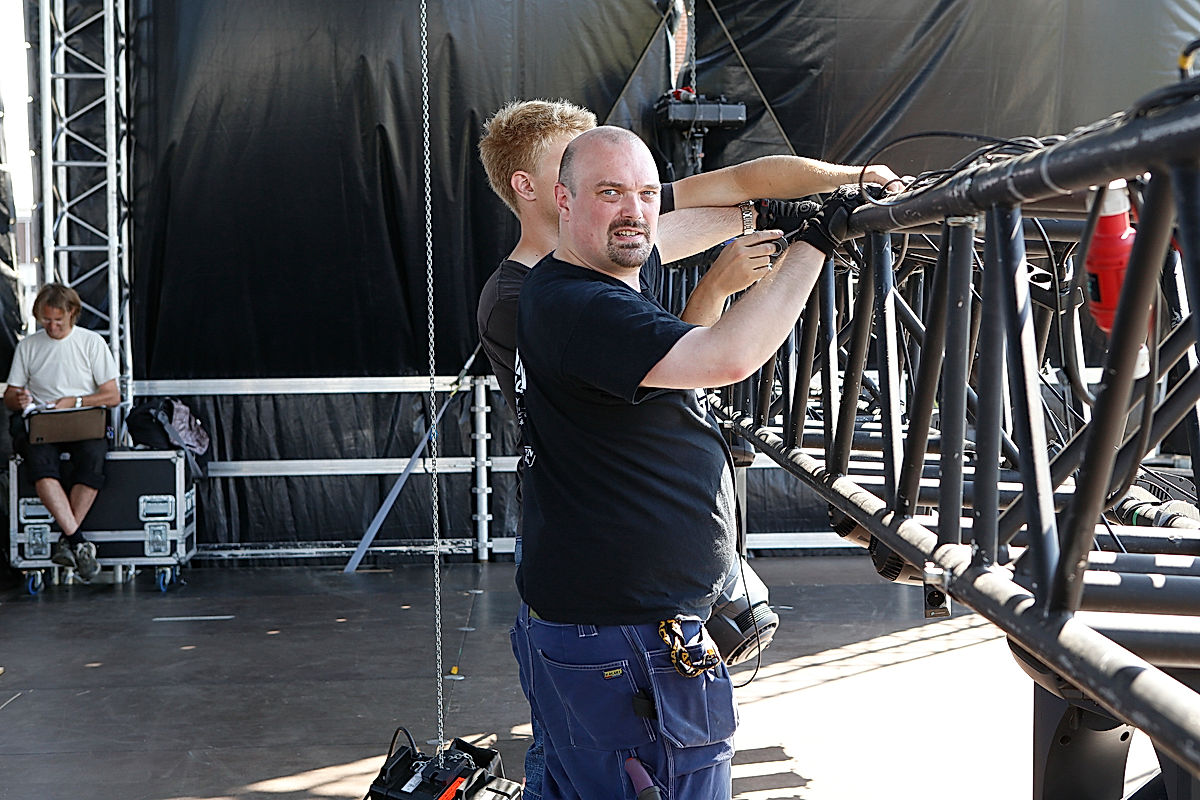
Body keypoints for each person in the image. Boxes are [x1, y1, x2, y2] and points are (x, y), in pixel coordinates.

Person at [475, 99, 899, 798]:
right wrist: (818, 239)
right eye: (608, 189)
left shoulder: (591, 263)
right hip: (622, 626)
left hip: (606, 615)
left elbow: (741, 189)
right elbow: (722, 358)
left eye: (647, 193)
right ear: (554, 193)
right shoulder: (551, 297)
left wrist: (839, 184)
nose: (639, 209)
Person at [3, 283, 121, 581]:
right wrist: (18, 399)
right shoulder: (29, 346)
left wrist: (76, 401)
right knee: (40, 465)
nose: (52, 327)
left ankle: (71, 540)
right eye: (46, 320)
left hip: (84, 421)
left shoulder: (92, 343)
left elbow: (112, 396)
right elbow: (11, 394)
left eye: (58, 320)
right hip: (43, 422)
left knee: (93, 459)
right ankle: (78, 542)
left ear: (73, 314)